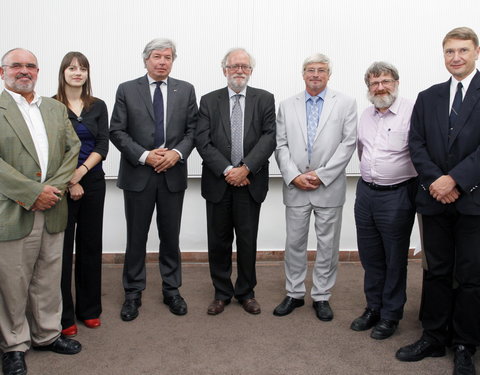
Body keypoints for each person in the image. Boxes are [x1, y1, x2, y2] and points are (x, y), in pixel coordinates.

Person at [396, 27, 480, 375]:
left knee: (472, 276)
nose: (455, 57)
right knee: (436, 272)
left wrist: (456, 180)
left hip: (473, 201)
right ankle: (433, 335)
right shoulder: (428, 96)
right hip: (434, 199)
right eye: (449, 51)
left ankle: (464, 344)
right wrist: (437, 182)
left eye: (462, 50)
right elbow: (415, 143)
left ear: (476, 52)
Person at [0, 48, 82, 375]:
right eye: (16, 65)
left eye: (30, 66)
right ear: (2, 71)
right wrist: (33, 193)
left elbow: (72, 149)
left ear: (38, 71)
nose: (24, 71)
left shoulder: (54, 108)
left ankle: (47, 334)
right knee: (13, 281)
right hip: (13, 209)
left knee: (48, 277)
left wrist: (53, 190)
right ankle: (14, 345)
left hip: (53, 206)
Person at [110, 38, 198, 321]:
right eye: (157, 56)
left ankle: (172, 290)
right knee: (136, 237)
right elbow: (117, 131)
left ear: (173, 61)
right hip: (139, 174)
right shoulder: (127, 89)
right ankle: (133, 292)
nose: (162, 61)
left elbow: (193, 130)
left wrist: (176, 153)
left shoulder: (185, 90)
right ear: (146, 59)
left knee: (170, 236)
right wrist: (146, 155)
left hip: (172, 174)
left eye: (168, 57)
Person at [274, 53, 357, 321]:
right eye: (310, 70)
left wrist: (321, 175)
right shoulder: (287, 105)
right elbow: (281, 144)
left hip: (329, 186)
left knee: (328, 245)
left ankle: (321, 296)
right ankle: (294, 293)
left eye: (321, 70)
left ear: (329, 75)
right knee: (294, 243)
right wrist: (294, 176)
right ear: (303, 74)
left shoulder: (345, 103)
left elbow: (348, 144)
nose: (315, 74)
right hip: (296, 186)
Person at [195, 48, 276, 315]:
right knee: (218, 241)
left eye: (244, 66)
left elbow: (269, 138)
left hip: (250, 183)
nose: (239, 70)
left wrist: (246, 169)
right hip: (220, 182)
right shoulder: (208, 101)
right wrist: (229, 170)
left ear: (251, 71)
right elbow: (203, 141)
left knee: (247, 240)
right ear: (224, 70)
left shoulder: (265, 99)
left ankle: (246, 292)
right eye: (234, 66)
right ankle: (221, 292)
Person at [350, 62, 417, 340]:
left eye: (386, 81)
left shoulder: (412, 112)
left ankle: (390, 315)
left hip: (398, 195)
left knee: (394, 259)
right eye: (374, 83)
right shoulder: (365, 115)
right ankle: (373, 308)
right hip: (366, 193)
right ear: (368, 88)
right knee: (371, 257)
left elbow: (420, 151)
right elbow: (361, 150)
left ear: (396, 82)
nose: (380, 88)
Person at [54, 52, 109, 337]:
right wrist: (69, 180)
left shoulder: (98, 106)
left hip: (93, 182)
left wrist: (81, 173)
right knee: (61, 251)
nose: (78, 72)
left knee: (90, 246)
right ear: (63, 72)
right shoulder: (49, 106)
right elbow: (52, 149)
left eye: (83, 68)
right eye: (72, 68)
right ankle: (64, 316)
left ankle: (89, 309)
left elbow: (103, 143)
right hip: (61, 186)